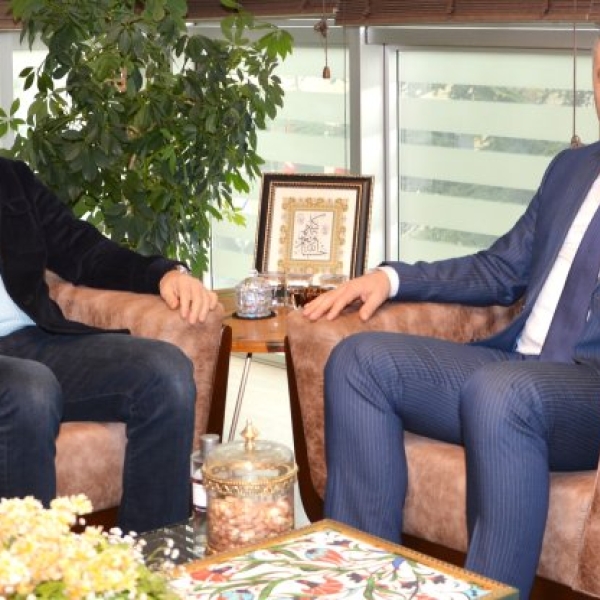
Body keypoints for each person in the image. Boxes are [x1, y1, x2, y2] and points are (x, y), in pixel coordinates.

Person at [302, 42, 600, 600]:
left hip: (587, 393)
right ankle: (362, 582)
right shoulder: (572, 168)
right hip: (516, 369)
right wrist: (391, 279)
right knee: (359, 360)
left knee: (502, 390)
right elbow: (501, 268)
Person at [0, 156, 219, 534]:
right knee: (30, 389)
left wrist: (162, 275)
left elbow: (81, 247)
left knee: (165, 372)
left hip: (33, 339)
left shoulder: (9, 177)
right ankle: (27, 566)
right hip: (20, 376)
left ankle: (153, 558)